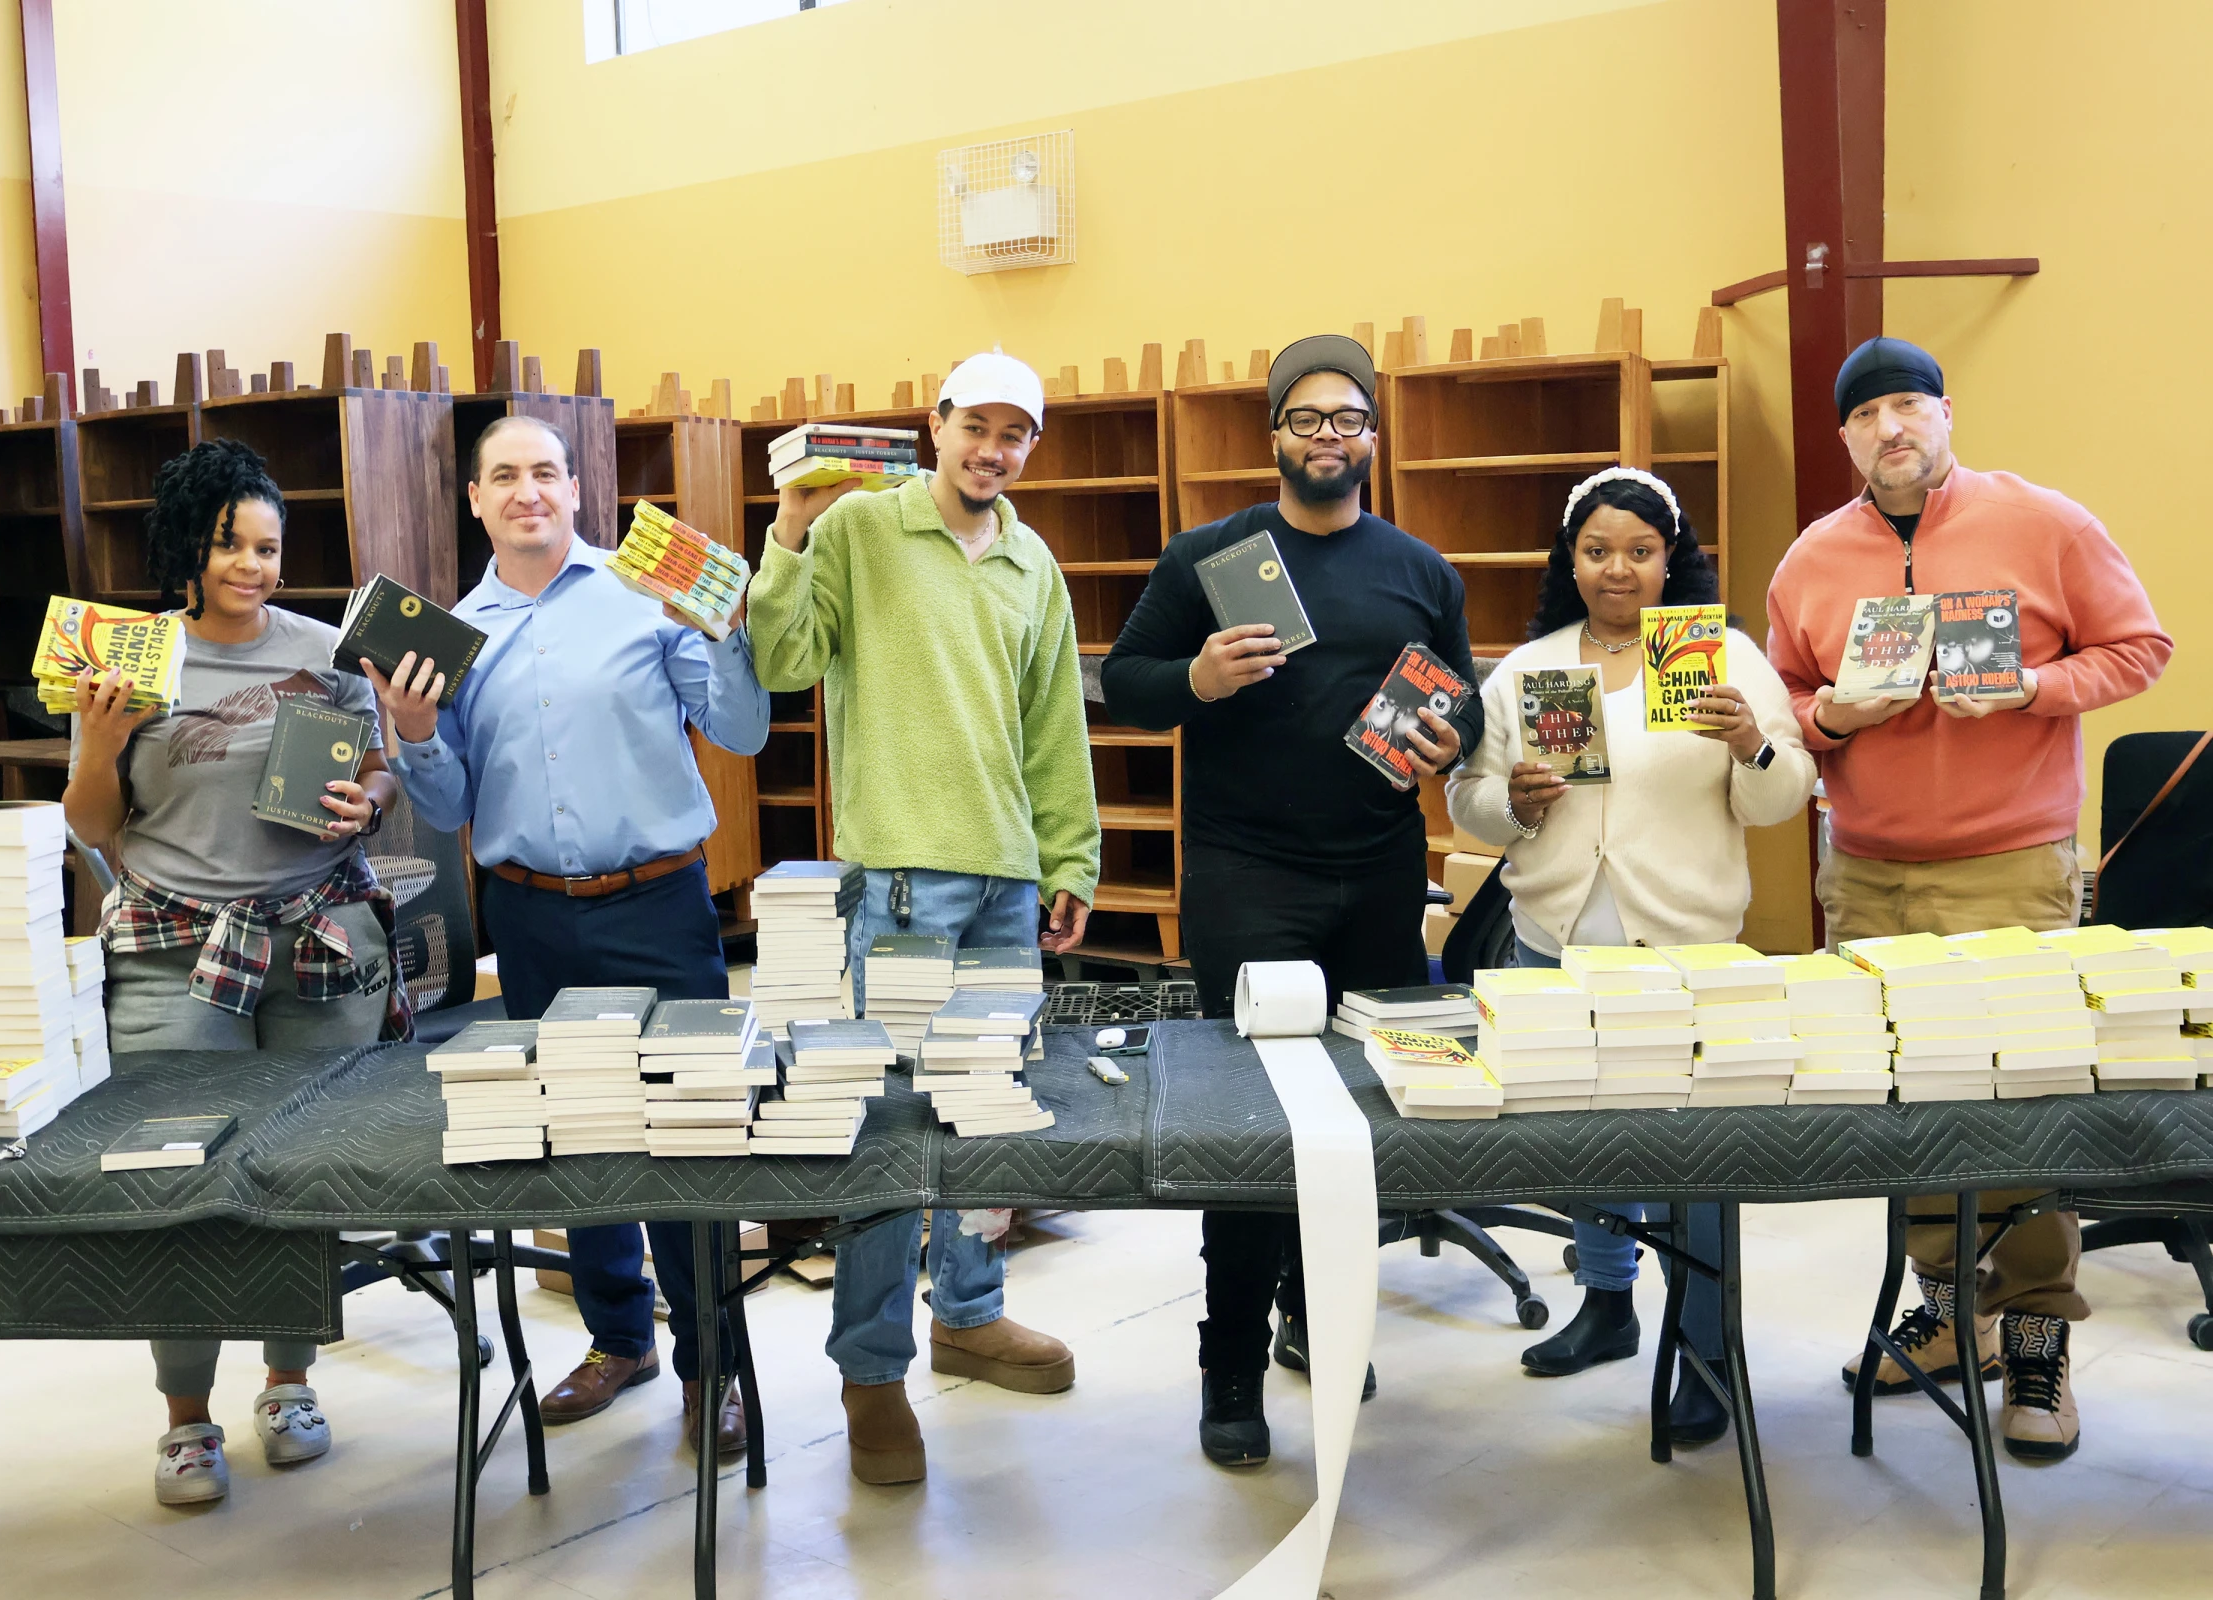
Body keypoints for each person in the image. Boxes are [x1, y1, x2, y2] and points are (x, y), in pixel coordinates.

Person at [1767, 336, 2172, 1462]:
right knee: (1909, 1105)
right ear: (1843, 437)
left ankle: (2038, 1338)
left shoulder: (2045, 522)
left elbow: (2141, 647)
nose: (1890, 429)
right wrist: (1836, 718)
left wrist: (2033, 690)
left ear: (1944, 414)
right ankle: (1951, 1316)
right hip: (1867, 870)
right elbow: (1785, 701)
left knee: (2023, 1103)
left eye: (1908, 405)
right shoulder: (1809, 560)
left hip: (2012, 863)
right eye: (1866, 415)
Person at [1101, 334, 1486, 1467]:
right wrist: (1198, 680)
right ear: (1274, 435)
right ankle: (1229, 1356)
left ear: (1374, 435)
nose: (1330, 436)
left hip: (1376, 874)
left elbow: (1458, 705)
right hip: (1244, 877)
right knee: (1248, 1123)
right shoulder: (1207, 556)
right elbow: (1126, 684)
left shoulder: (1420, 569)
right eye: (1308, 418)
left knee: (1364, 1112)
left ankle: (1320, 1316)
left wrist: (1443, 737)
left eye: (1349, 418)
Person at [370, 415, 767, 1458]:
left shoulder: (647, 598)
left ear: (579, 490)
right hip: (531, 910)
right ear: (475, 500)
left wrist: (721, 631)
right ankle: (618, 1337)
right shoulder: (452, 634)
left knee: (684, 1134)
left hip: (659, 902)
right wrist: (414, 737)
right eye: (504, 475)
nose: (527, 490)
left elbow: (742, 731)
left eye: (545, 471)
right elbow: (450, 804)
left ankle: (710, 1365)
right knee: (579, 1131)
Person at [745, 350, 1099, 1486]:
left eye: (1017, 434)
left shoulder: (1034, 560)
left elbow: (1054, 729)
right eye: (976, 426)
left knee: (984, 1119)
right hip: (897, 881)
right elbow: (783, 655)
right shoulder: (858, 530)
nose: (994, 449)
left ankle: (971, 1312)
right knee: (889, 1137)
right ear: (935, 424)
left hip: (1004, 880)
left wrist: (1071, 856)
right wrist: (789, 534)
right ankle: (871, 1373)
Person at [63, 439, 404, 1506]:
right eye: (229, 545)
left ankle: (291, 1383)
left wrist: (375, 798)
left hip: (318, 939)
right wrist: (90, 742)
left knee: (302, 1175)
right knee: (174, 1185)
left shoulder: (334, 652)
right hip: (171, 952)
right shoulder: (131, 657)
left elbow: (380, 772)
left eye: (268, 546)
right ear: (184, 549)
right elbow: (93, 828)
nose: (254, 566)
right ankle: (185, 1419)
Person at [1446, 467, 1816, 1442]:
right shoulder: (1529, 669)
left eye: (1641, 551)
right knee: (1582, 1142)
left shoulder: (1722, 656)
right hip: (1552, 946)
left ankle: (1705, 1349)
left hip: (1684, 955)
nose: (1619, 569)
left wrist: (1751, 744)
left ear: (1671, 559)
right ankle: (1607, 1304)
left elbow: (1785, 797)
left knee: (1697, 1160)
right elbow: (1466, 796)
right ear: (1571, 561)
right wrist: (1511, 803)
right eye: (1598, 550)